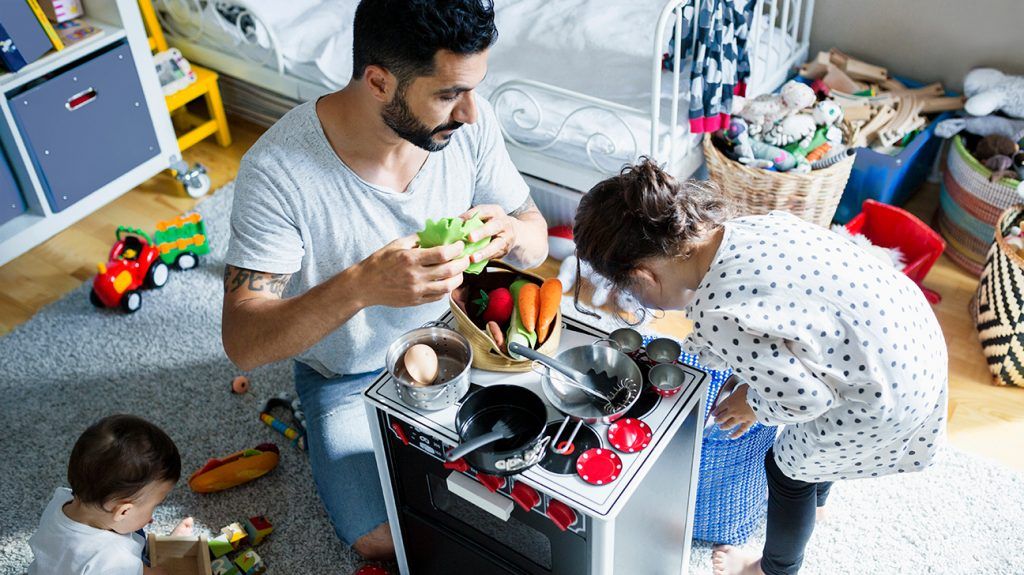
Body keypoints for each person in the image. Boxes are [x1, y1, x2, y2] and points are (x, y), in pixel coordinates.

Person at [221, 0, 547, 560]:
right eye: (448, 95)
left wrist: (511, 234)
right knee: (385, 537)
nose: (470, 112)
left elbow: (537, 235)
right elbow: (244, 344)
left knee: (542, 485)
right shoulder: (277, 172)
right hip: (348, 376)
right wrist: (360, 286)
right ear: (378, 81)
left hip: (465, 339)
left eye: (473, 89)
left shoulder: (471, 122)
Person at [571, 158, 948, 575]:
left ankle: (774, 568)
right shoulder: (749, 228)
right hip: (909, 338)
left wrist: (753, 404)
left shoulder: (722, 313)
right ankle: (818, 502)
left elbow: (808, 397)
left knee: (787, 469)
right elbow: (790, 329)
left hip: (883, 396)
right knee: (818, 450)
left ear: (643, 276)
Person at [28, 414, 193, 575]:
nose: (151, 517)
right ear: (123, 512)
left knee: (132, 534)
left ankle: (157, 548)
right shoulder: (115, 559)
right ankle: (160, 552)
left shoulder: (62, 499)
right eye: (154, 507)